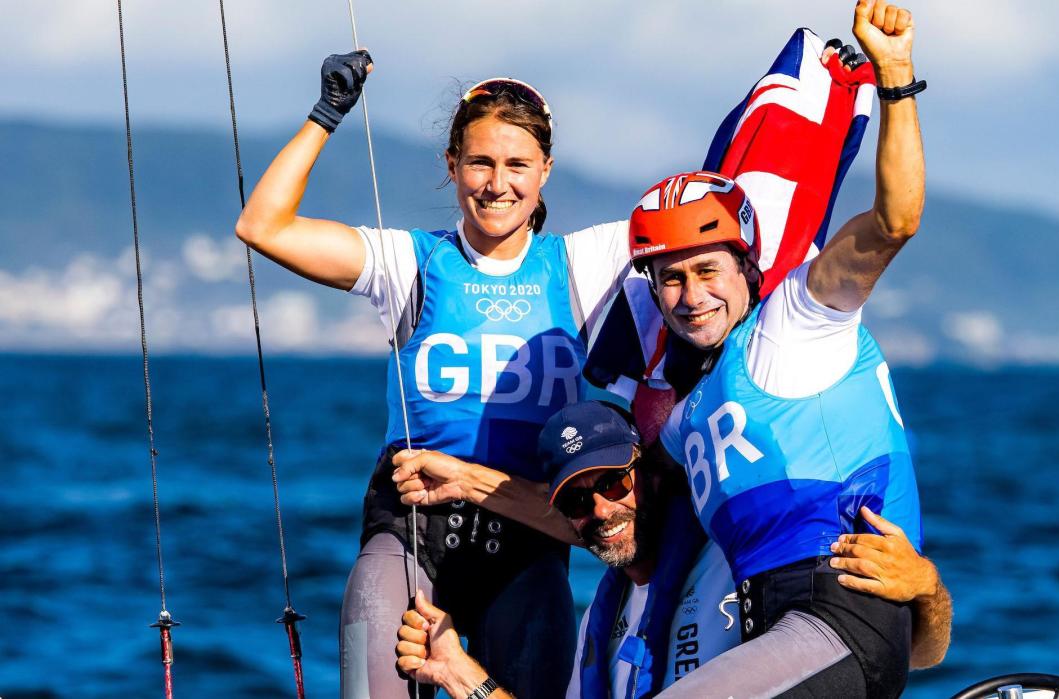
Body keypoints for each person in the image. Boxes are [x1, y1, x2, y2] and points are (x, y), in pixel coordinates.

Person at [234, 51, 634, 697]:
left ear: (545, 171)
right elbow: (262, 224)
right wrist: (326, 114)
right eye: (480, 162)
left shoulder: (583, 264)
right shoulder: (411, 263)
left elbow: (711, 223)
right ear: (452, 166)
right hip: (411, 536)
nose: (496, 183)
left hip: (528, 543)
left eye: (517, 165)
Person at [614, 1, 930, 695]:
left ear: (748, 270)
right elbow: (634, 529)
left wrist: (896, 78)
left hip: (837, 621)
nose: (691, 294)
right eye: (671, 279)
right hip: (777, 636)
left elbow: (894, 221)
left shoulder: (797, 319)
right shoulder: (682, 417)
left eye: (708, 271)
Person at [392, 401, 951, 699]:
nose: (602, 512)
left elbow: (918, 653)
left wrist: (925, 587)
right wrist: (458, 672)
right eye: (578, 502)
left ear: (651, 474)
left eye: (614, 483)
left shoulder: (736, 555)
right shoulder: (597, 631)